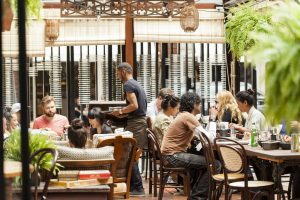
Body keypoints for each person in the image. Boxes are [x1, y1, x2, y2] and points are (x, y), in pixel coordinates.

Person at [161, 92, 221, 200]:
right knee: (215, 164)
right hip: (173, 156)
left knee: (206, 160)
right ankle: (197, 197)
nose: (201, 106)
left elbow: (204, 136)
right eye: (200, 103)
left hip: (170, 155)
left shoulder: (184, 115)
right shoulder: (188, 117)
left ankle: (196, 193)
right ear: (194, 104)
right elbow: (210, 138)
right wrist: (212, 118)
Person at [111, 62, 147, 196]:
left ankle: (137, 188)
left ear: (123, 72)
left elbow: (134, 105)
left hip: (136, 124)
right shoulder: (136, 84)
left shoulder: (128, 85)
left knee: (129, 155)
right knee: (131, 155)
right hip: (139, 122)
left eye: (117, 72)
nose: (117, 75)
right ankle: (133, 185)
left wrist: (120, 111)